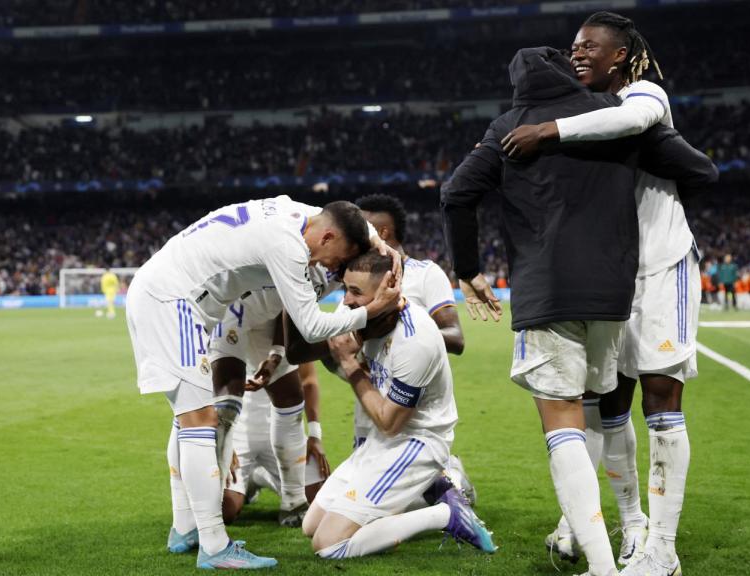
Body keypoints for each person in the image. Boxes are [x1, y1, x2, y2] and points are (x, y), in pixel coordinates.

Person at [443, 46, 716, 576]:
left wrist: (470, 271)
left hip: (547, 290)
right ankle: (629, 527)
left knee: (573, 416)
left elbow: (456, 194)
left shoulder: (511, 124)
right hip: (614, 291)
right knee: (606, 409)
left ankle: (603, 556)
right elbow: (697, 169)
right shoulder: (611, 115)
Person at [126, 196, 401, 569]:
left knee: (186, 418)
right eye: (338, 256)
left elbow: (344, 218)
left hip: (171, 295)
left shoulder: (295, 213)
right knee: (199, 421)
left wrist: (379, 243)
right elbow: (312, 328)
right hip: (174, 301)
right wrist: (370, 310)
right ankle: (213, 545)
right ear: (328, 237)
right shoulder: (286, 247)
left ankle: (184, 527)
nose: (334, 267)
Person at [302, 251, 496, 559]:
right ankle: (420, 496)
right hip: (383, 442)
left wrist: (351, 367)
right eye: (346, 289)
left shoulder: (415, 340)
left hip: (418, 441)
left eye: (356, 292)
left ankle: (447, 515)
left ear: (386, 292)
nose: (347, 301)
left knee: (327, 545)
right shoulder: (365, 317)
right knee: (310, 525)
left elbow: (389, 421)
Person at [222, 363, 329, 525]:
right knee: (224, 511)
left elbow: (308, 379)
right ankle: (249, 480)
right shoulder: (228, 338)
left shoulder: (291, 337)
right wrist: (223, 440)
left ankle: (260, 477)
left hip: (285, 433)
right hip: (238, 433)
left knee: (319, 503)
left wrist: (315, 434)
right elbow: (210, 386)